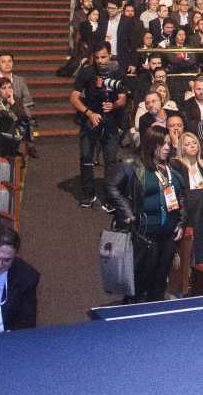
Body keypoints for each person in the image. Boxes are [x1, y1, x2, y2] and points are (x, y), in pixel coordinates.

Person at [106, 128, 188, 302]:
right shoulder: (132, 164)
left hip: (167, 233)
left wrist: (181, 222)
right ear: (151, 145)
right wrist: (126, 210)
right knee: (139, 283)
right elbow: (111, 187)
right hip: (143, 234)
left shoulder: (173, 167)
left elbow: (181, 196)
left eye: (168, 143)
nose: (167, 147)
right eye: (162, 144)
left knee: (159, 283)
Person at [72, 45, 128, 208]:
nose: (100, 61)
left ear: (110, 55)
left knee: (110, 159)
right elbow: (74, 98)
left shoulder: (119, 72)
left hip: (111, 119)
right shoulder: (87, 72)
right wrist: (89, 113)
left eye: (103, 57)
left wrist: (114, 105)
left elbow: (123, 98)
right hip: (90, 117)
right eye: (97, 57)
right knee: (86, 156)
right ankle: (88, 193)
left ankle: (110, 196)